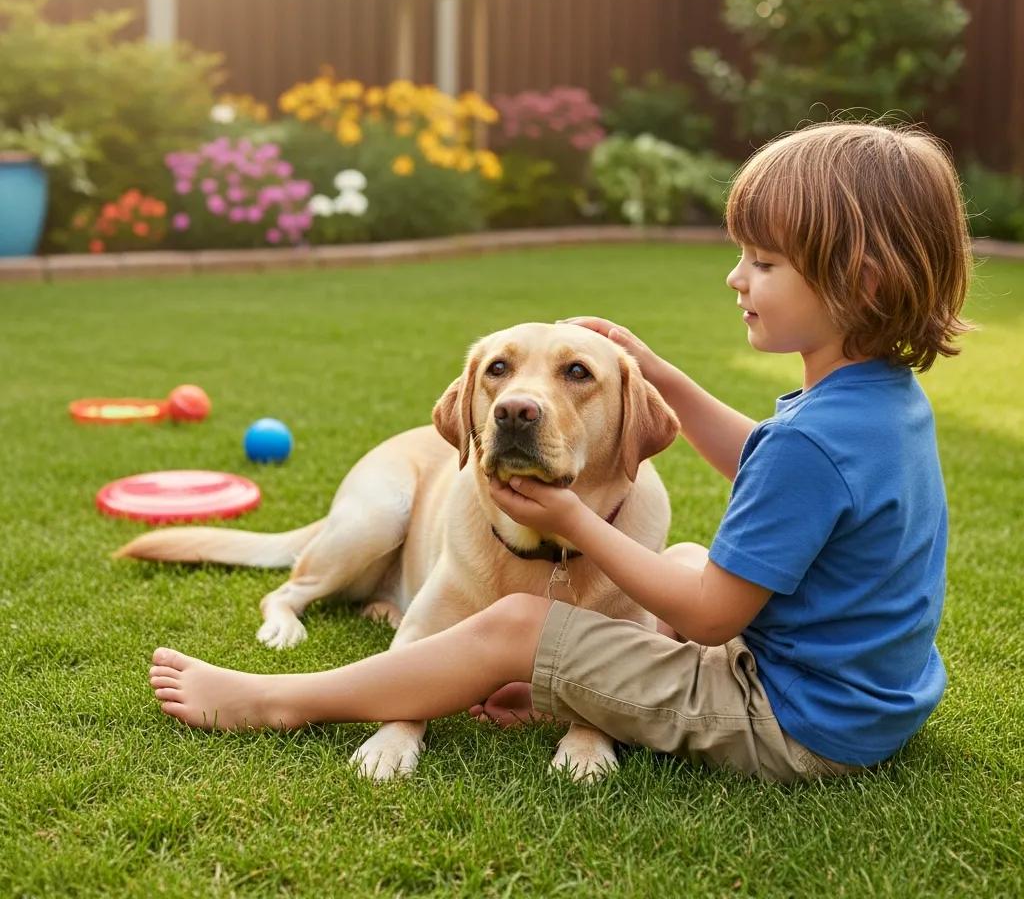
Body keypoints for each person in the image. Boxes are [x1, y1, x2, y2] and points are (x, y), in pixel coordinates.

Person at [147, 121, 974, 783]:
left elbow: (710, 617)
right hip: (874, 703)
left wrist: (576, 517)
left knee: (518, 624)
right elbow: (770, 457)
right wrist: (663, 379)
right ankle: (539, 681)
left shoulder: (811, 443)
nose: (735, 278)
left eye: (762, 262)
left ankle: (279, 700)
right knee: (682, 552)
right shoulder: (878, 406)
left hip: (787, 721)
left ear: (859, 282)